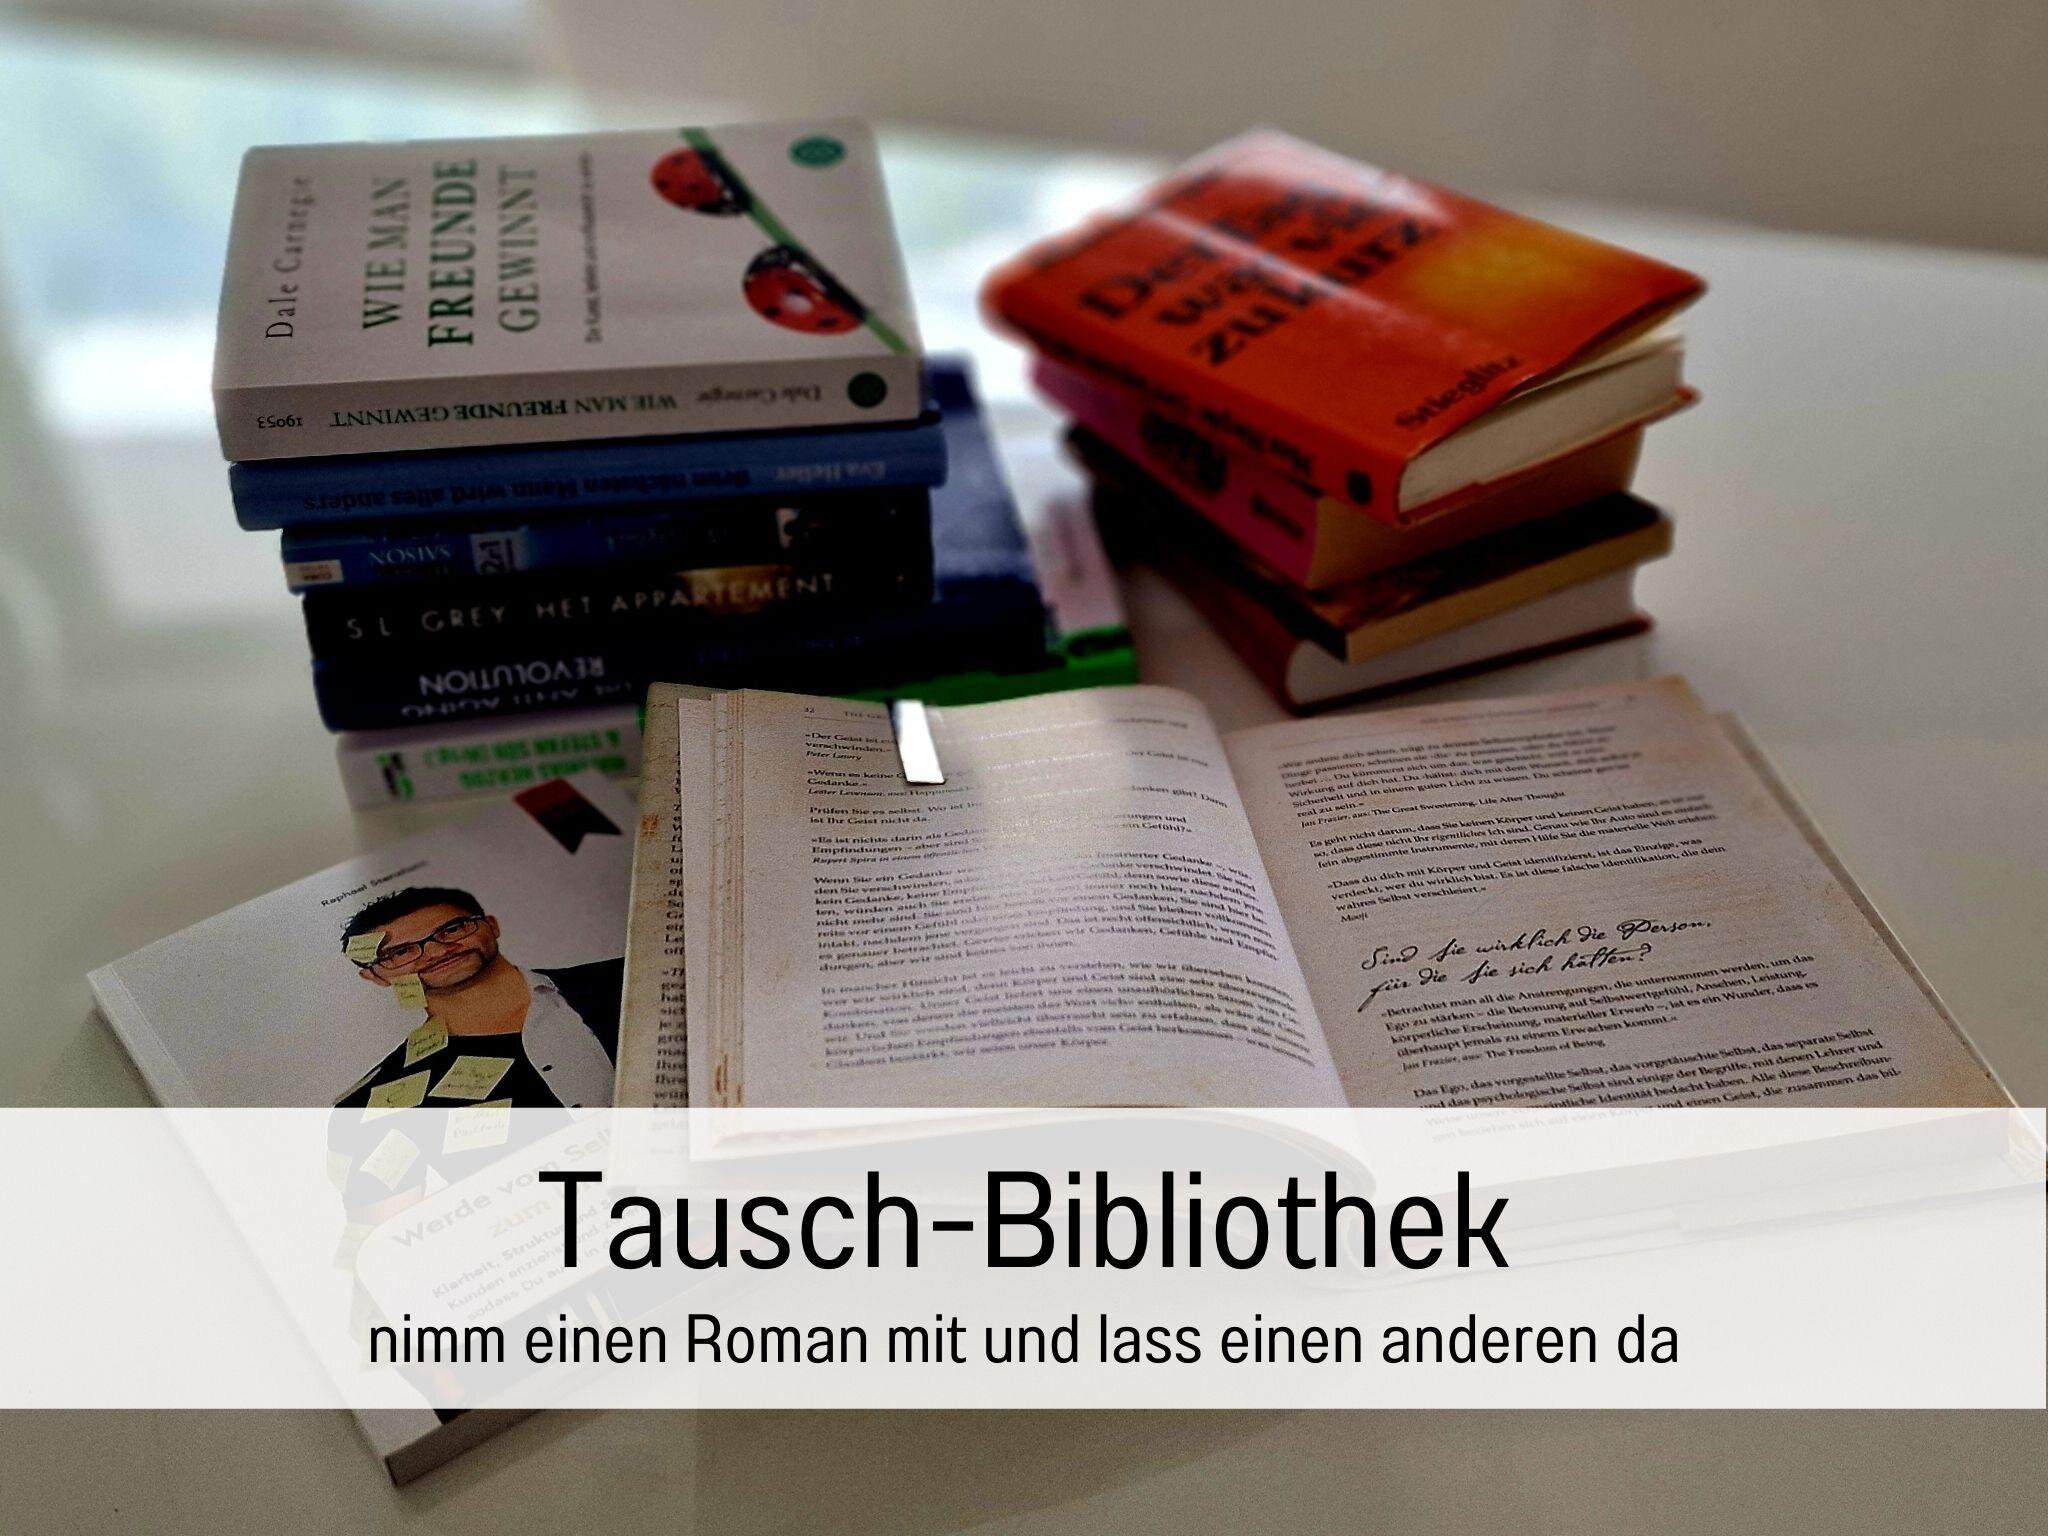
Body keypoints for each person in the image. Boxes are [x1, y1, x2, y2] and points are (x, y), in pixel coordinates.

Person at [332, 884, 621, 1115]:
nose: (437, 952)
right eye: (400, 952)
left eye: (451, 930)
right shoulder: (367, 1106)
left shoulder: (624, 974)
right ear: (375, 976)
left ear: (491, 926)